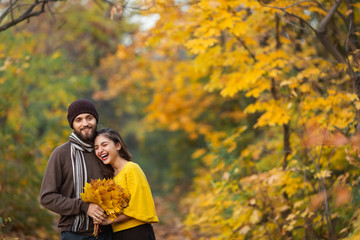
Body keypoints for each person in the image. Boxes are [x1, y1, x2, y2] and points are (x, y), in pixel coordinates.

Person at [40, 99, 114, 240]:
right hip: (73, 234)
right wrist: (83, 206)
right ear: (72, 125)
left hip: (108, 233)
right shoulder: (61, 154)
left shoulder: (105, 151)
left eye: (89, 118)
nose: (85, 123)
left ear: (96, 120)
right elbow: (47, 197)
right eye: (78, 120)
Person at [94, 128, 158, 240]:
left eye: (104, 145)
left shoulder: (131, 168)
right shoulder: (111, 178)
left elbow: (137, 206)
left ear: (118, 146)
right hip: (118, 234)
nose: (100, 150)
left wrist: (109, 220)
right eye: (96, 148)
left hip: (136, 232)